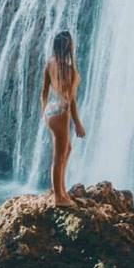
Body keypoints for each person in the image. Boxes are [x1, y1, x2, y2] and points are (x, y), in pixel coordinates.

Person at [41, 30, 85, 206]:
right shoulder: (68, 70)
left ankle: (62, 190)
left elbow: (44, 91)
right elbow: (70, 99)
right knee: (59, 156)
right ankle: (58, 197)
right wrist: (78, 124)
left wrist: (43, 112)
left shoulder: (50, 64)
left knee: (66, 150)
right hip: (61, 112)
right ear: (69, 47)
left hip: (51, 111)